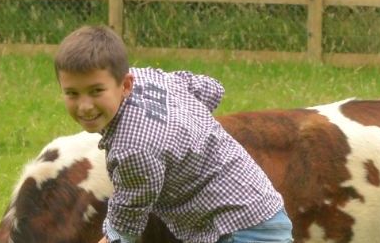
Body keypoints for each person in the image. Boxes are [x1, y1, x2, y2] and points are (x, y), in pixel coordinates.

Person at [53, 26, 292, 243]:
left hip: (239, 232)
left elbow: (127, 222)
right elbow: (209, 88)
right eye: (72, 93)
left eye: (96, 91)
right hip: (262, 212)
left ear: (125, 85)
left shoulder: (133, 148)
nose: (85, 106)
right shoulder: (149, 79)